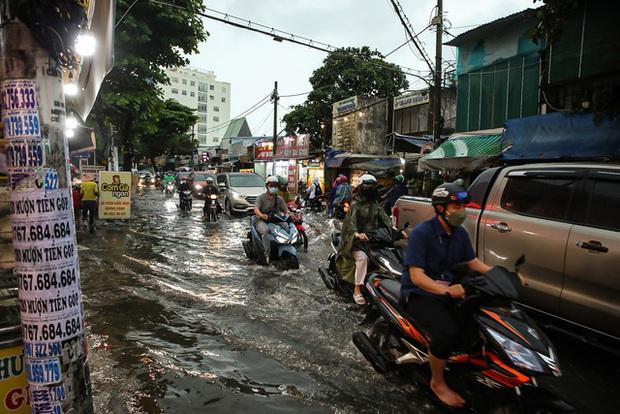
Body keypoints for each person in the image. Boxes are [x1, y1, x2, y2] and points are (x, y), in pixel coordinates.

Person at [400, 182, 492, 408]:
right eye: (456, 205)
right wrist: (445, 290)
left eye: (463, 205)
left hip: (449, 292)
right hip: (420, 294)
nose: (461, 210)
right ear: (441, 207)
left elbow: (473, 263)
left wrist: (503, 276)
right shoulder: (422, 233)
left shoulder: (460, 233)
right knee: (446, 331)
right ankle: (437, 382)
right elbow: (417, 276)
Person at [336, 174, 395, 305]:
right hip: (355, 242)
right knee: (363, 258)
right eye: (367, 187)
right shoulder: (355, 205)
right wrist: (357, 234)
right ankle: (357, 290)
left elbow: (386, 220)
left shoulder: (375, 205)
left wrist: (397, 231)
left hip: (372, 239)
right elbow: (349, 224)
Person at [253, 176, 291, 264]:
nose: (273, 188)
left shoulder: (279, 199)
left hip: (275, 220)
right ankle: (267, 255)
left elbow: (285, 210)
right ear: (267, 186)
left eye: (275, 186)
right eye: (271, 185)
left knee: (287, 227)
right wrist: (262, 215)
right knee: (266, 231)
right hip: (261, 221)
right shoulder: (261, 198)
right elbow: (256, 210)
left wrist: (290, 214)